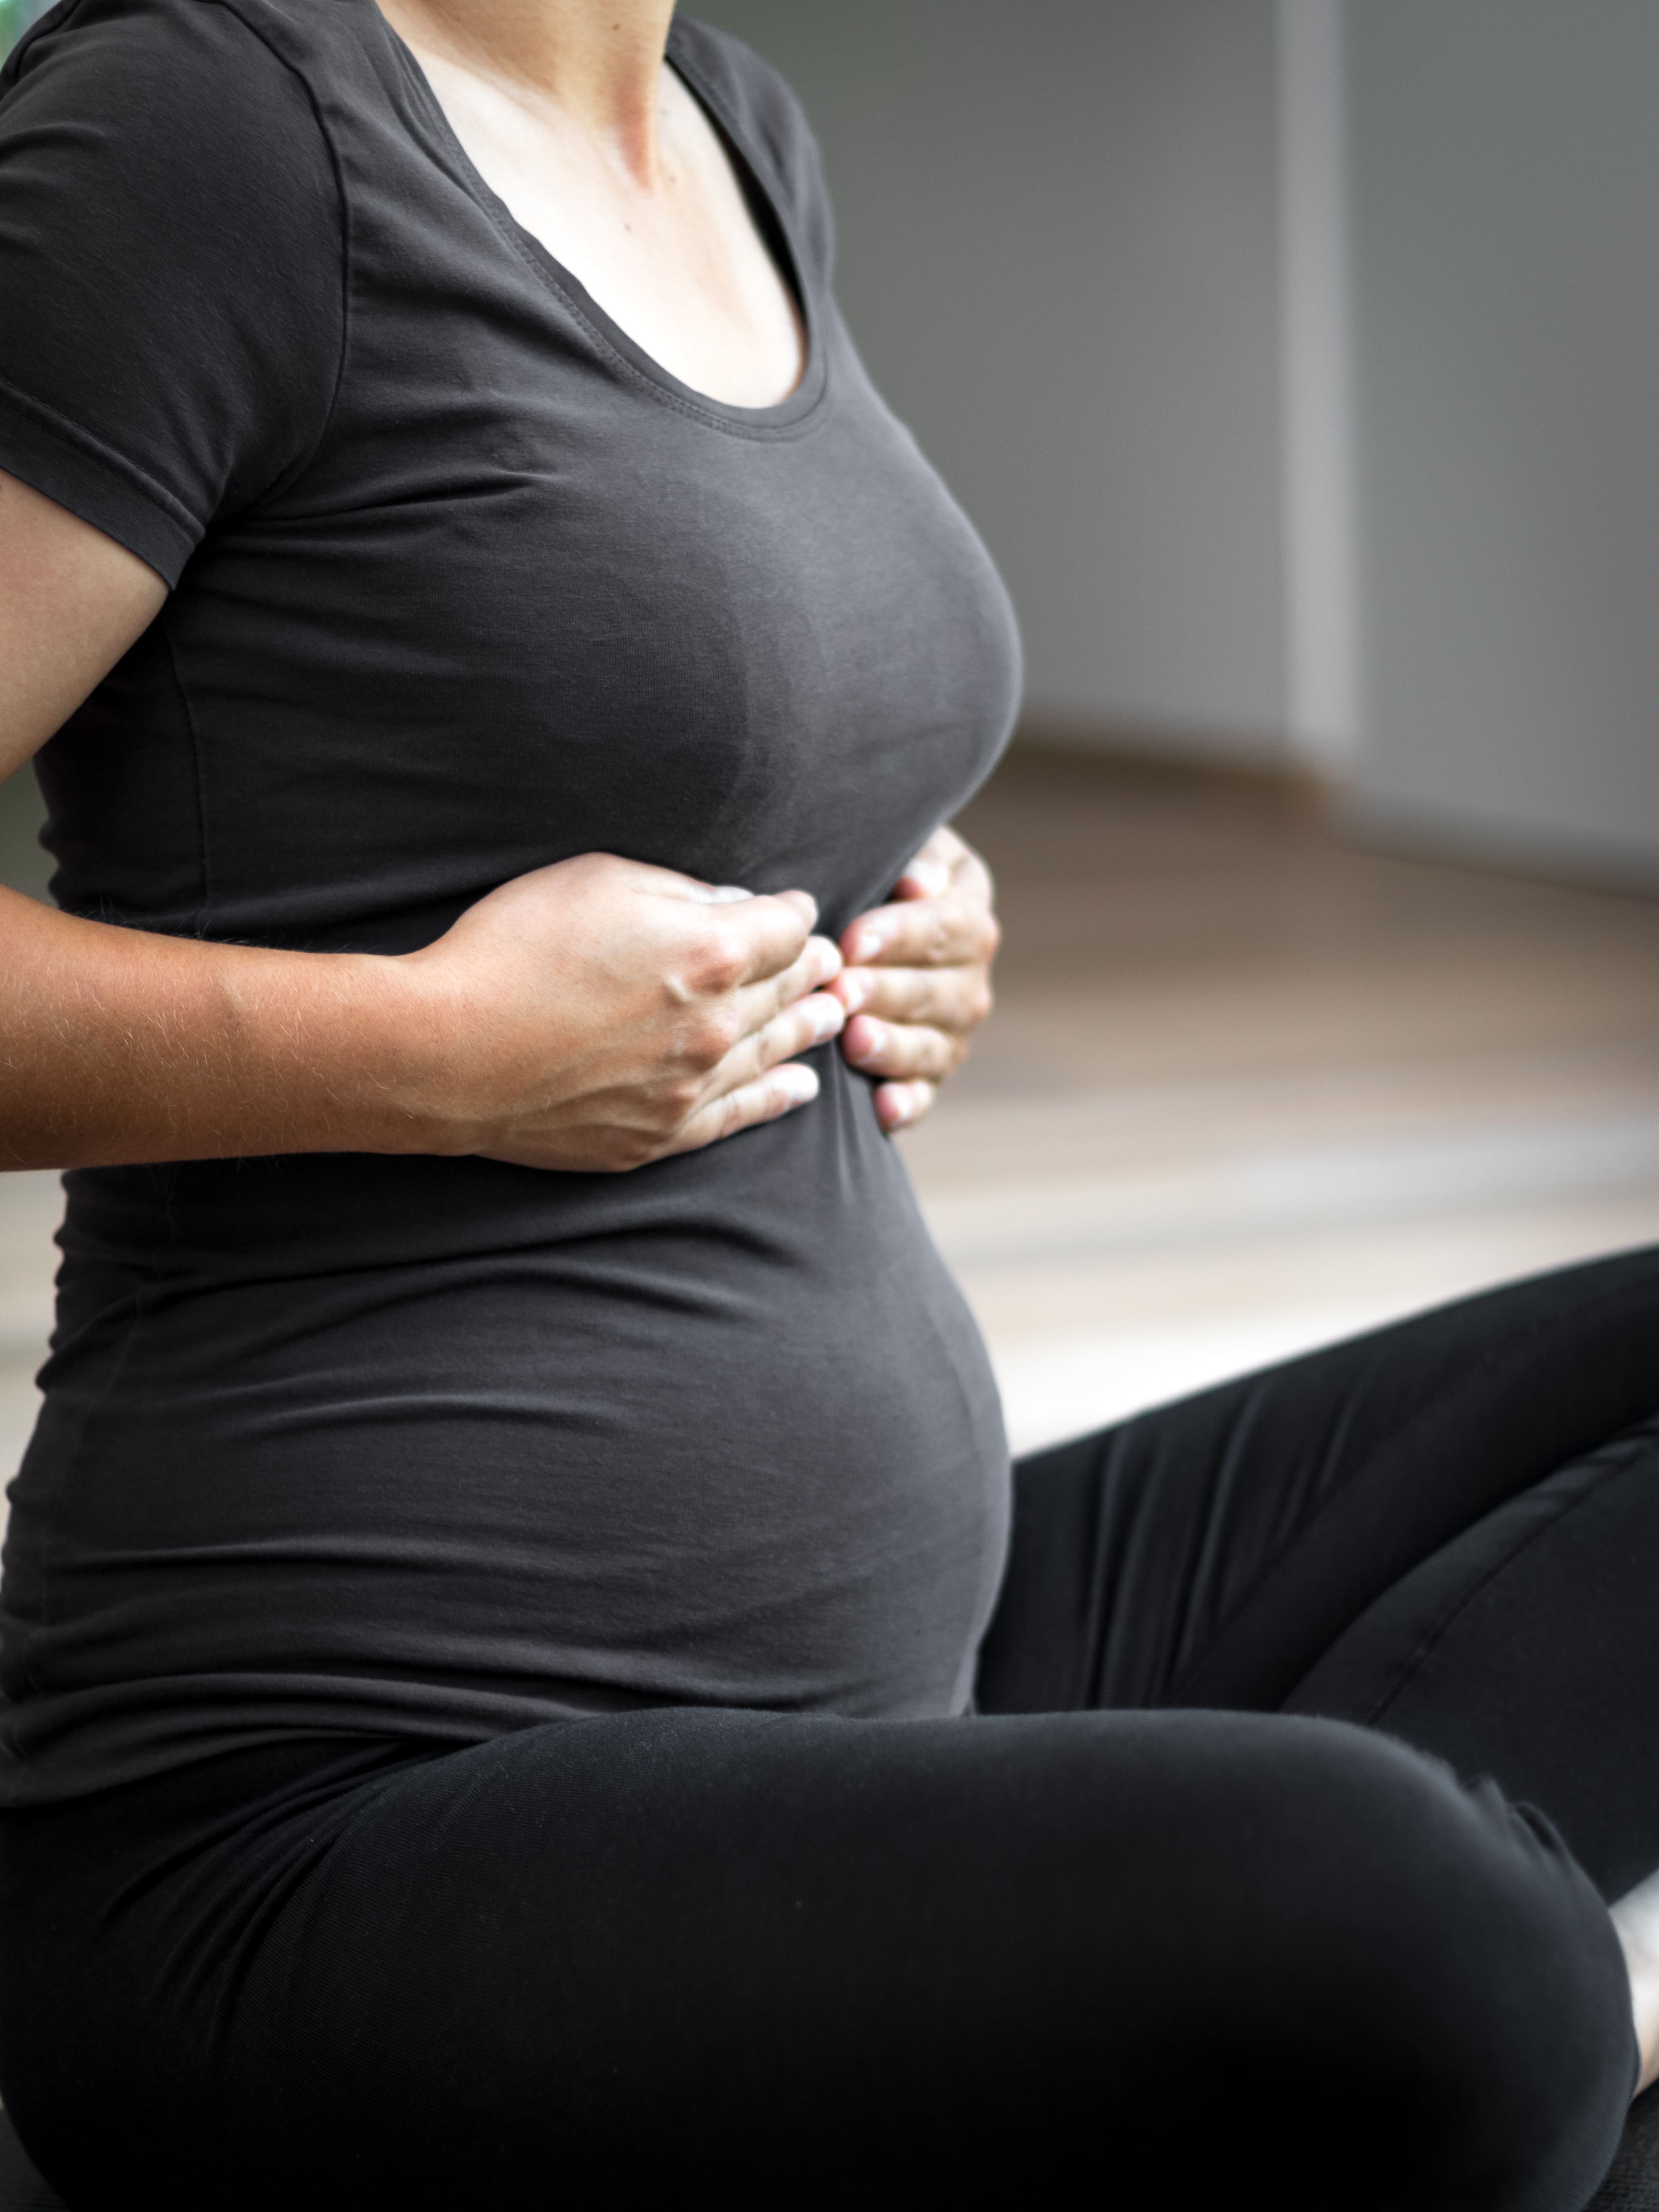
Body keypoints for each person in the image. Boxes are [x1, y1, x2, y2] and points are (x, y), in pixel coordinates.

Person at [0, 0, 1654, 2202]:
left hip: (898, 1674)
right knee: (1457, 1970)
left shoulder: (725, 120)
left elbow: (653, 707)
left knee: (1452, 1965)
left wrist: (897, 907)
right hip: (325, 1816)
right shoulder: (196, 129)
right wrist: (436, 1051)